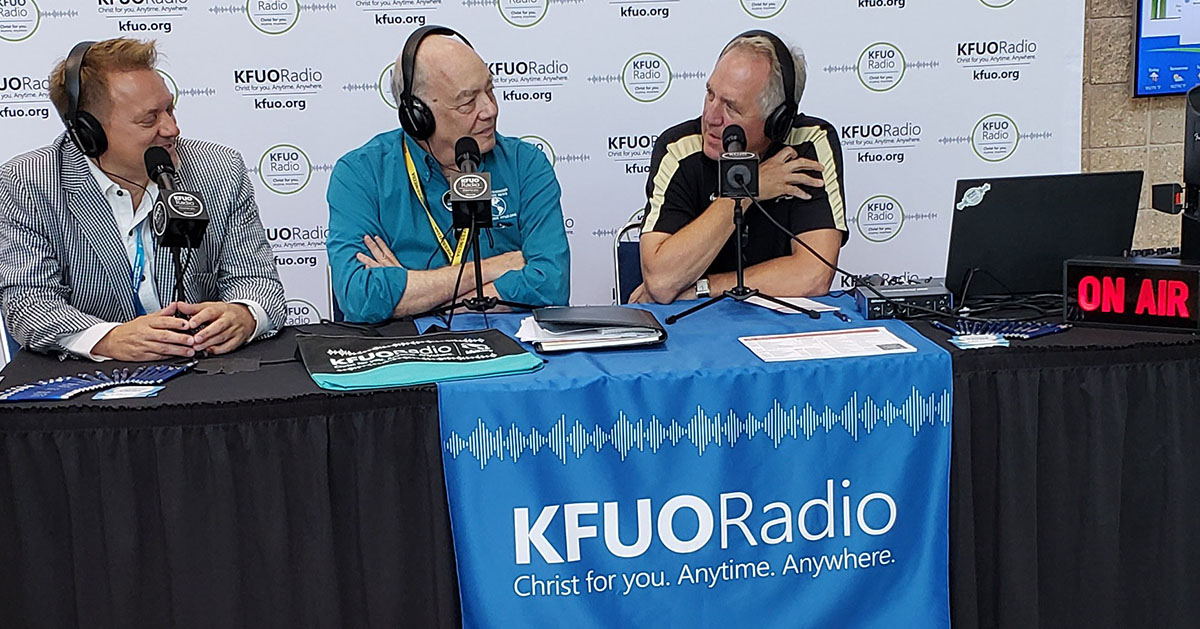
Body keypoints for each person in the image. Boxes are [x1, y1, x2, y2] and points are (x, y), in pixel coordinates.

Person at [0, 38, 286, 361]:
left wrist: (244, 314)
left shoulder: (220, 169)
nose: (172, 128)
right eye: (150, 119)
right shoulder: (28, 183)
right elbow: (27, 303)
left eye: (170, 109)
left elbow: (259, 282)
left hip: (204, 378)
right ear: (88, 133)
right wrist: (109, 338)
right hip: (97, 386)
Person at [326, 25, 570, 323]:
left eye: (490, 90)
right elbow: (359, 298)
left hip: (516, 352)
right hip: (406, 357)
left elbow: (551, 285)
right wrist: (498, 267)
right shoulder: (360, 174)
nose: (489, 109)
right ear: (418, 115)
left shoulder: (526, 164)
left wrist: (411, 291)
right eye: (467, 101)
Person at [634, 30, 847, 304]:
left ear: (776, 121)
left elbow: (814, 275)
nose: (710, 117)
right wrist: (749, 190)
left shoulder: (809, 144)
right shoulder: (679, 149)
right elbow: (662, 281)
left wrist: (706, 286)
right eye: (710, 94)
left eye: (731, 108)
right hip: (696, 328)